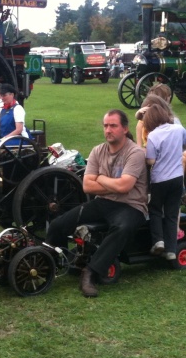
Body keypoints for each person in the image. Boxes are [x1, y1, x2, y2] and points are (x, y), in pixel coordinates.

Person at [44, 109, 148, 298]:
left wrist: (101, 178)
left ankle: (90, 272)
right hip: (104, 203)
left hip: (132, 206)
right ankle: (62, 261)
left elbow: (125, 186)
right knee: (59, 224)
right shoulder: (97, 151)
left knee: (122, 228)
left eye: (113, 126)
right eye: (106, 126)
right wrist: (113, 185)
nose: (108, 130)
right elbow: (87, 186)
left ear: (125, 129)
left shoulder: (135, 153)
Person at [143, 104, 186, 261]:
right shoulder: (177, 128)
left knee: (155, 209)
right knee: (172, 212)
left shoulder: (153, 136)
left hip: (159, 179)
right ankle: (171, 250)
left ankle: (158, 241)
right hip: (177, 178)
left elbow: (151, 160)